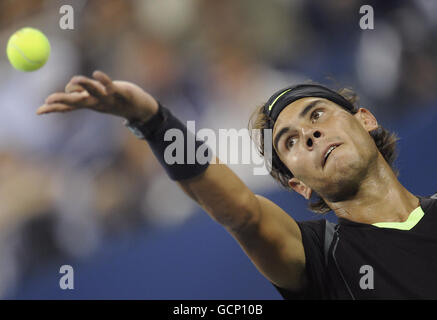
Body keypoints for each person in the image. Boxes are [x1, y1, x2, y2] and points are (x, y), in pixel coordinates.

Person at [37, 71, 437, 299]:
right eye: (290, 142)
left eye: (317, 114)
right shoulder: (319, 255)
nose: (310, 135)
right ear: (299, 185)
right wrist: (152, 120)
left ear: (365, 120)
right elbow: (242, 214)